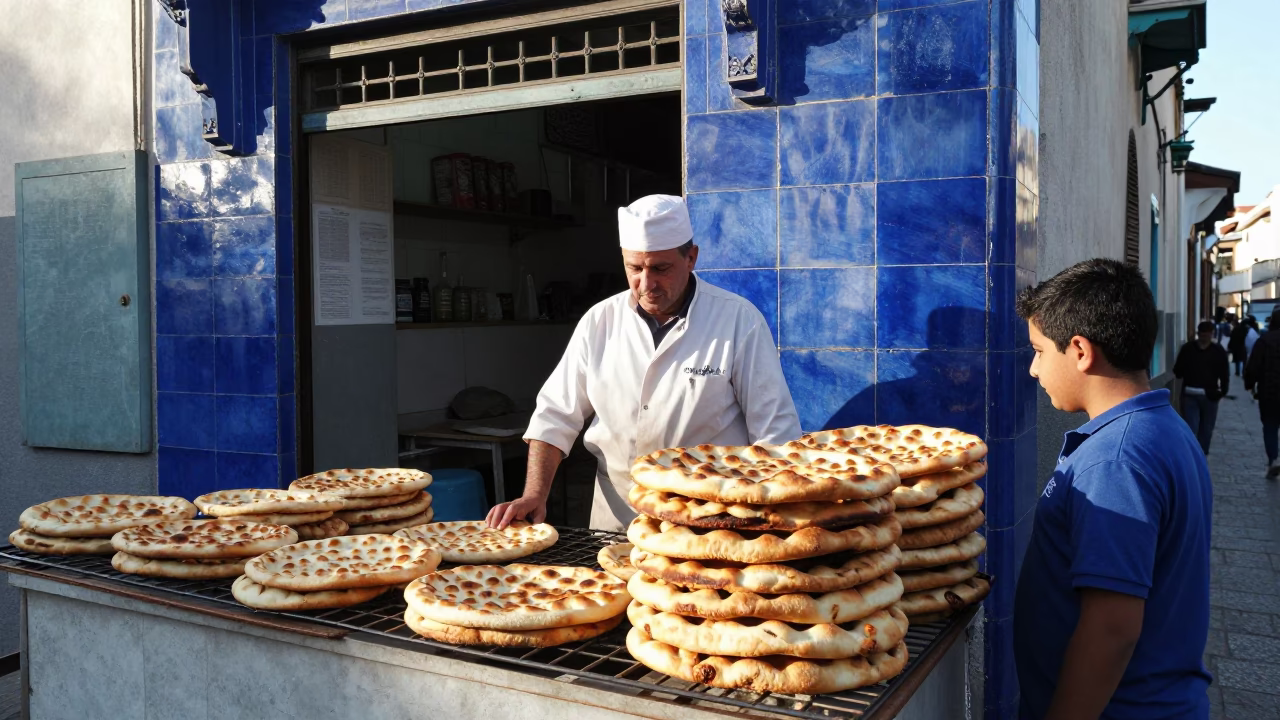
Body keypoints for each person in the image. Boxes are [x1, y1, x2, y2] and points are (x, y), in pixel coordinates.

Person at [486, 195, 802, 531]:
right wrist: (534, 493)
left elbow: (774, 434)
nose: (646, 284)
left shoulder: (738, 321)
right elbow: (555, 415)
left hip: (711, 526)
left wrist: (768, 521)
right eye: (635, 268)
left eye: (660, 269)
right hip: (617, 522)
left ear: (691, 257)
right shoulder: (600, 322)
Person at [1013, 258, 1213, 720]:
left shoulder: (1115, 460)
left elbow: (1112, 628)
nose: (1033, 370)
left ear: (1080, 351)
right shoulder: (1165, 428)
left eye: (1039, 351)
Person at [1173, 321, 1230, 455]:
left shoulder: (1217, 351)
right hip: (1191, 394)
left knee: (1206, 428)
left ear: (1211, 334)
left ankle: (1201, 455)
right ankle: (1195, 455)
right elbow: (1178, 370)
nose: (1204, 338)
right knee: (1193, 428)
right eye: (1202, 335)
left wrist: (1223, 390)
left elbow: (1224, 372)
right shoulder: (1188, 349)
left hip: (1209, 395)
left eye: (1207, 335)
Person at [1244, 312, 1280, 478]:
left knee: (1270, 426)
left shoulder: (1264, 341)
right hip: (1269, 391)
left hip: (1269, 392)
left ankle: (1274, 458)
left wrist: (1250, 385)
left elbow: (1253, 367)